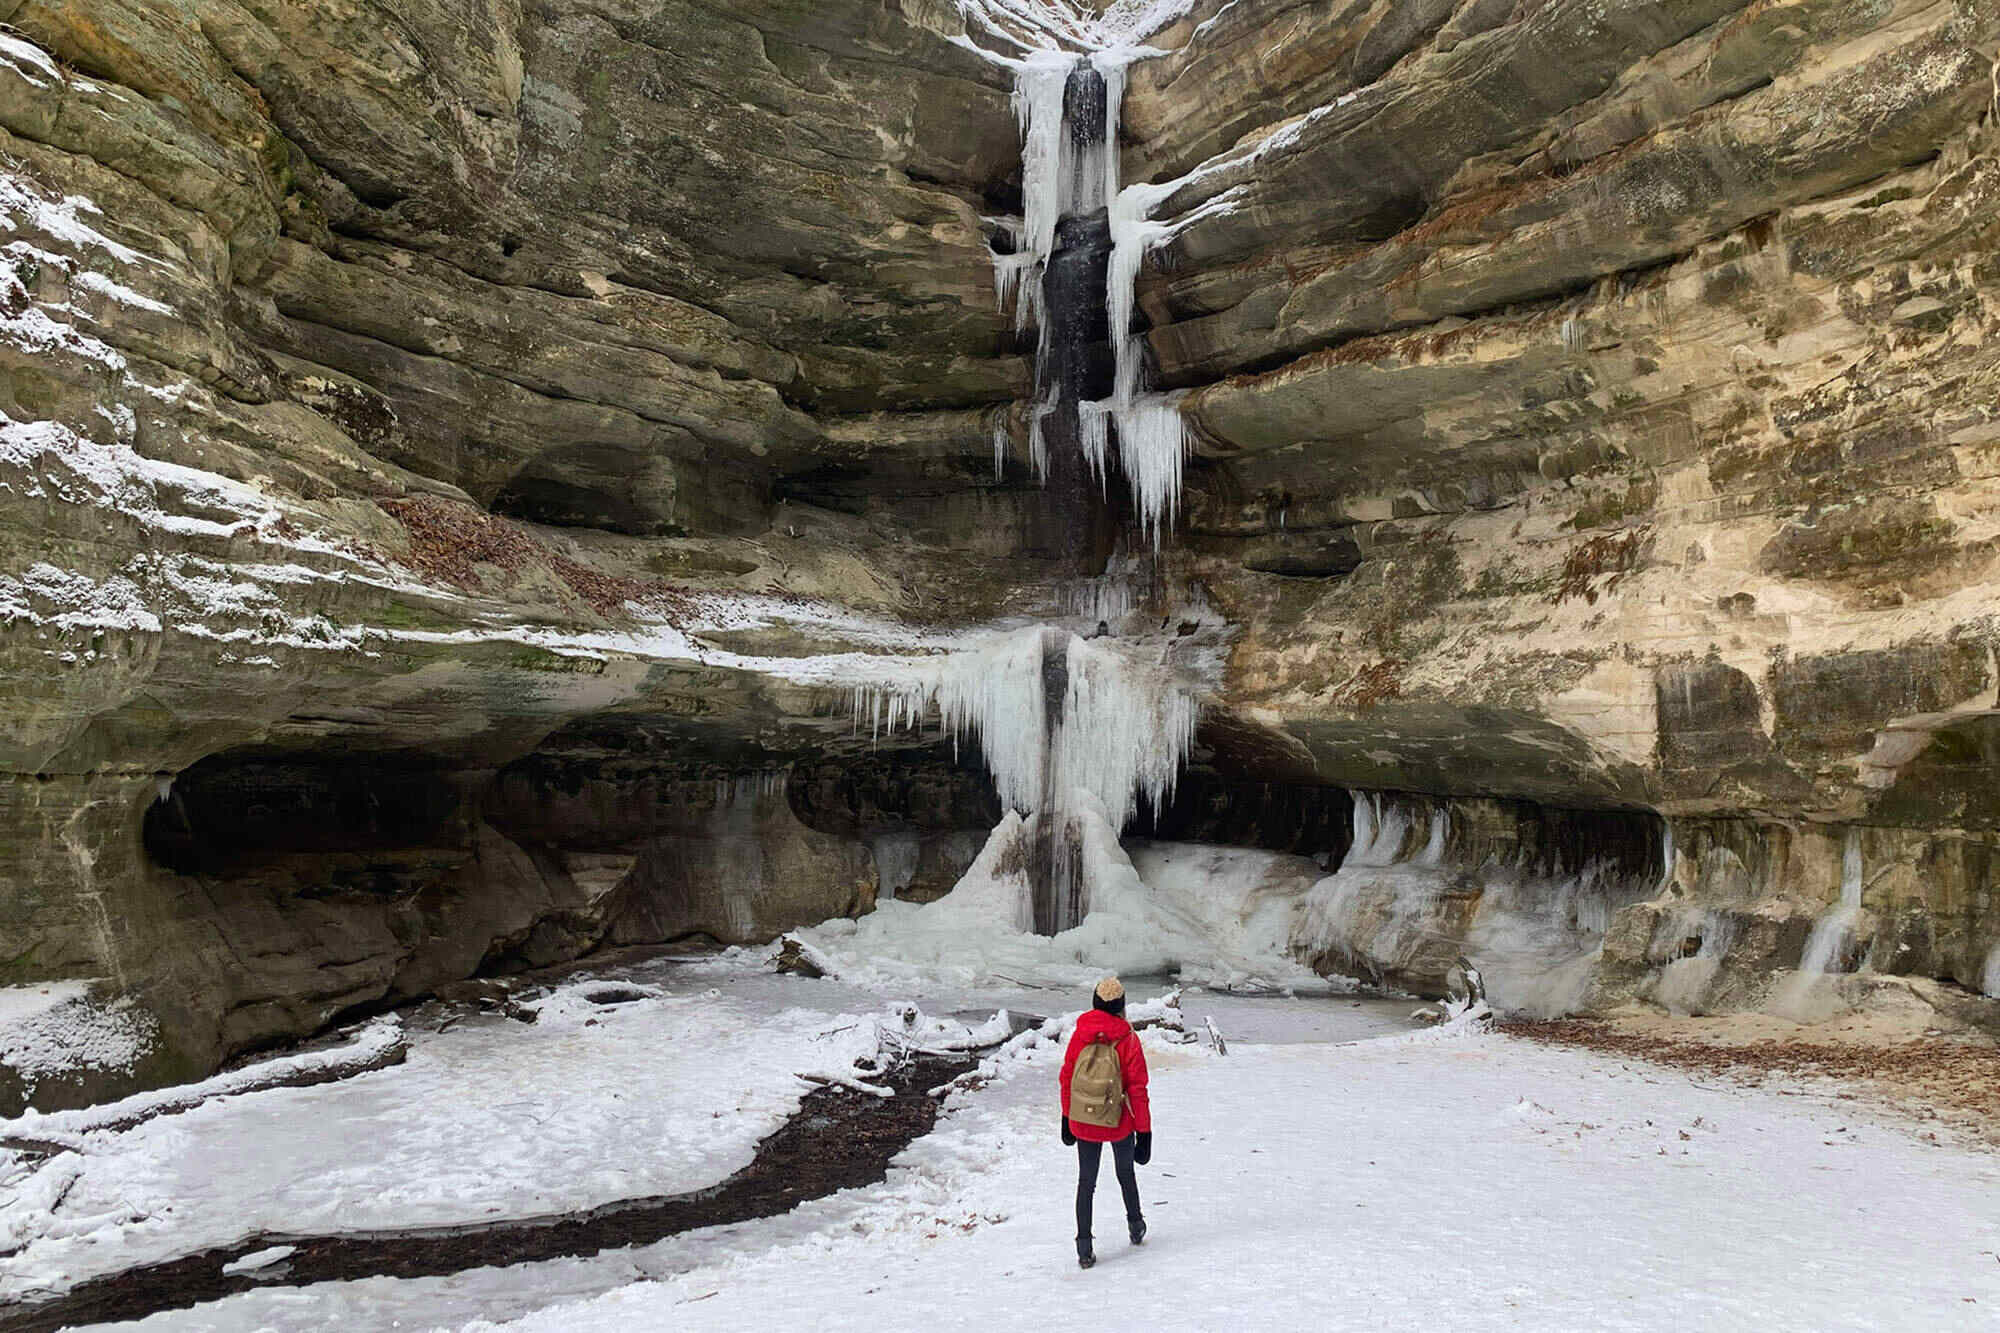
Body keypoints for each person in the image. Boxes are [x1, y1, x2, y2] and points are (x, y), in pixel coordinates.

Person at [1058, 976, 1151, 1269]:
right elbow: (1137, 1090)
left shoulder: (1080, 1034)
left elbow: (1067, 1077)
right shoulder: (1128, 1039)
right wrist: (1144, 1133)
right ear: (1121, 1007)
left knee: (1086, 1183)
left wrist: (1066, 1116)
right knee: (1125, 1173)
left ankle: (1084, 1248)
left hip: (1084, 1119)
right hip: (1118, 1121)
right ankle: (1136, 1226)